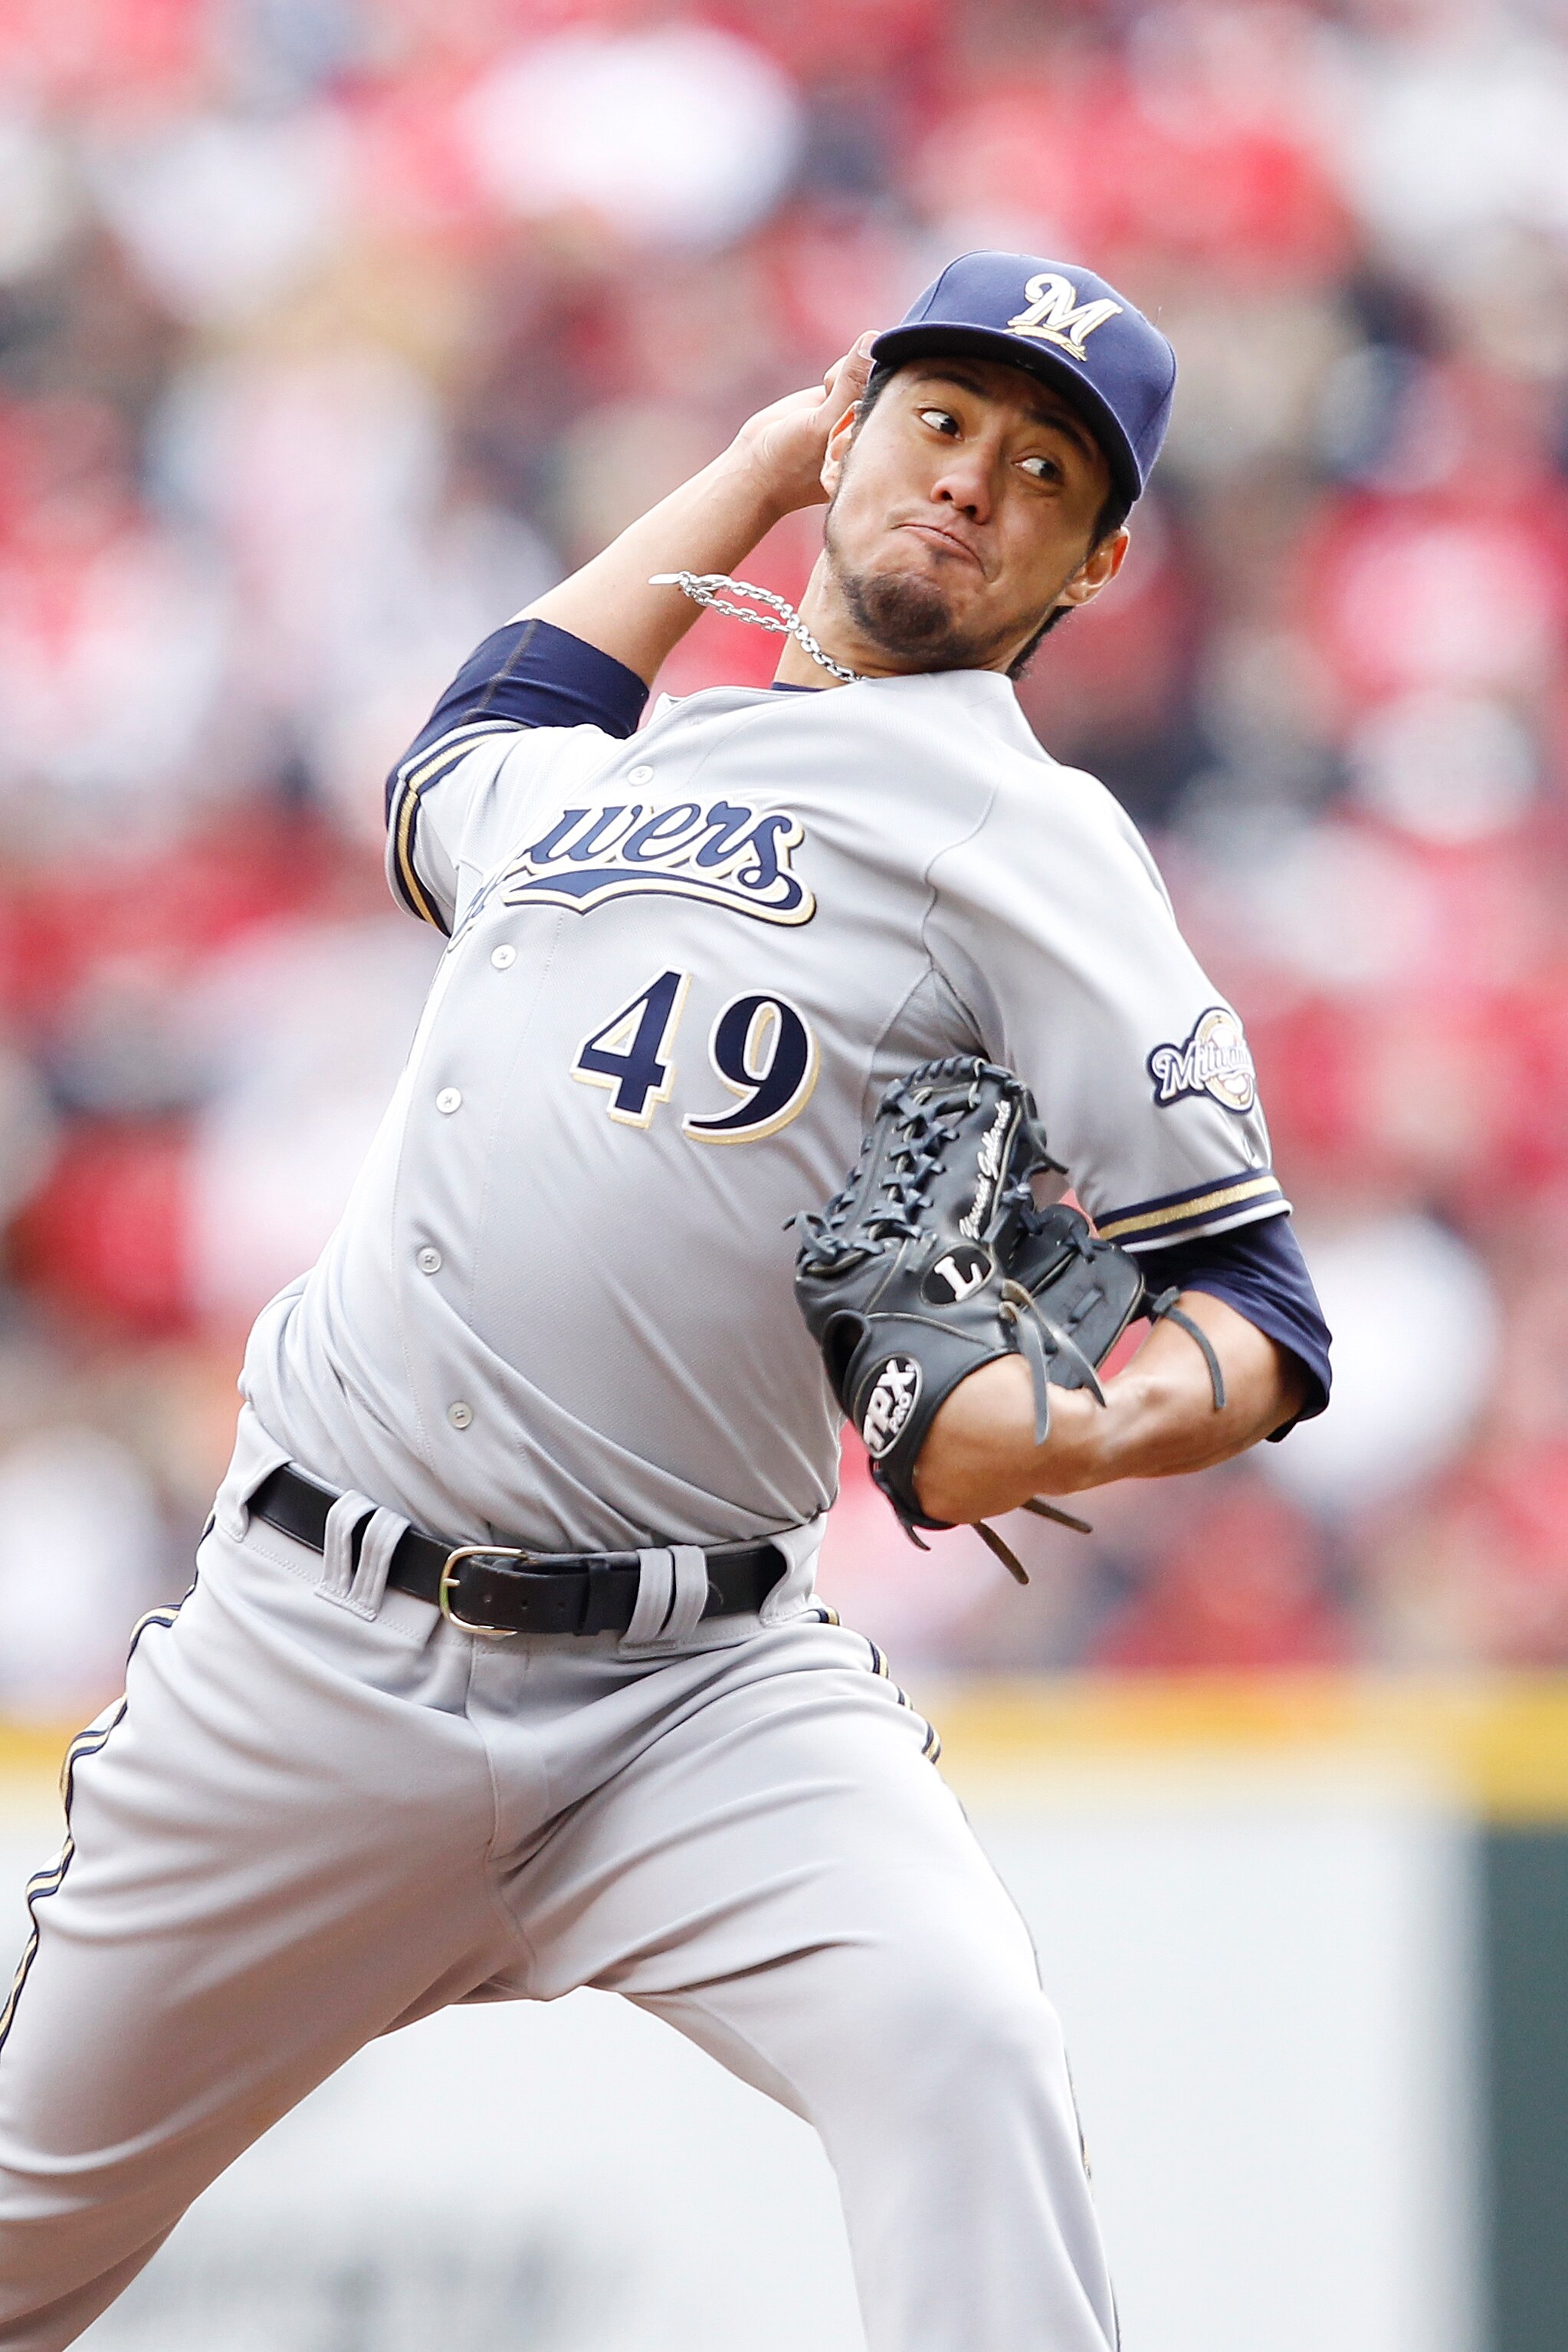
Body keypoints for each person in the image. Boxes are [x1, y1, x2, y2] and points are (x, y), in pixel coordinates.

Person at [0, 252, 1330, 2352]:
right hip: (310, 1650)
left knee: (965, 2041)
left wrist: (1085, 1426)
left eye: (1044, 472)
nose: (974, 482)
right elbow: (463, 753)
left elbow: (1256, 1302)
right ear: (853, 427)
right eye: (942, 422)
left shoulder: (1031, 837)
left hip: (697, 1695)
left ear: (1094, 563)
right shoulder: (617, 770)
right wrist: (749, 470)